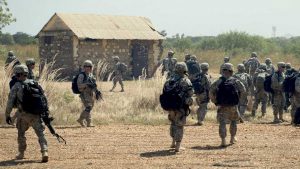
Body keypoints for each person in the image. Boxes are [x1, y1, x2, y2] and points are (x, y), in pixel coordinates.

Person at [5, 65, 48, 162]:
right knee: (40, 134)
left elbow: (10, 102)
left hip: (23, 115)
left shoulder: (16, 86)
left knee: (21, 133)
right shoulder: (35, 83)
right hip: (36, 115)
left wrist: (8, 115)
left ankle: (21, 153)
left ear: (17, 74)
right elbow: (43, 98)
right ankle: (45, 151)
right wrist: (45, 111)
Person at [210, 63, 246, 147]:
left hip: (222, 106)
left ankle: (223, 141)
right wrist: (238, 100)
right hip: (233, 106)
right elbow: (243, 90)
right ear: (232, 71)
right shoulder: (235, 81)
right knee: (233, 122)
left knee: (222, 123)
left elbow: (211, 92)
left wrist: (215, 101)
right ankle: (232, 138)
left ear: (222, 70)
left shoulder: (218, 81)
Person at [164, 62, 193, 152]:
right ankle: (177, 146)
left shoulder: (169, 80)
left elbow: (164, 91)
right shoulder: (186, 81)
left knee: (173, 123)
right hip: (181, 107)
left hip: (171, 107)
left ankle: (172, 143)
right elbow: (190, 93)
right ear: (184, 70)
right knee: (179, 125)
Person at [77, 60, 97, 127]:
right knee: (88, 107)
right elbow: (79, 85)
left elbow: (93, 84)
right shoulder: (81, 75)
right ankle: (81, 119)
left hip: (91, 93)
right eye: (86, 66)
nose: (87, 68)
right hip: (84, 93)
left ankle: (89, 123)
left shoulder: (90, 75)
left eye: (89, 66)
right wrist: (87, 84)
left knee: (89, 108)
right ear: (84, 67)